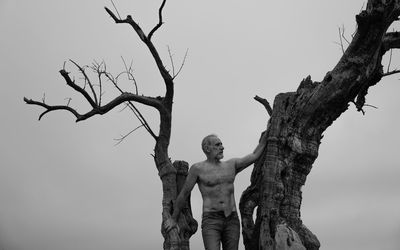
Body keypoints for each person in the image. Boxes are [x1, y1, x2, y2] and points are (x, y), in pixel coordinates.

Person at [165, 132, 267, 250]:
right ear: (207, 148)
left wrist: (267, 135)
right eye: (217, 145)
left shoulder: (231, 165)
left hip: (232, 219)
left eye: (221, 145)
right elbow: (184, 194)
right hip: (211, 220)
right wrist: (173, 219)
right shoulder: (197, 169)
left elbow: (254, 155)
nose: (222, 147)